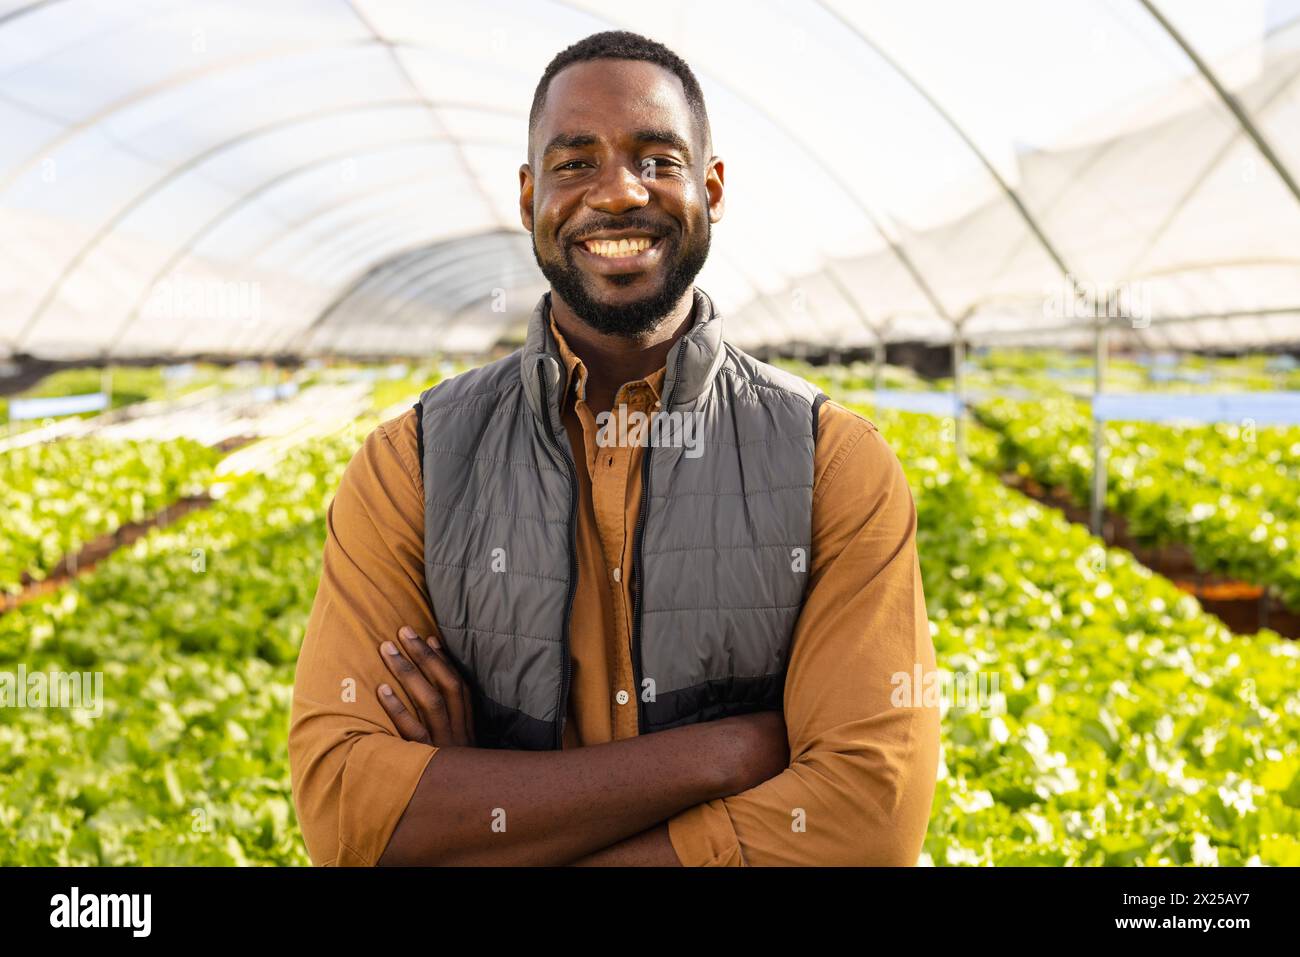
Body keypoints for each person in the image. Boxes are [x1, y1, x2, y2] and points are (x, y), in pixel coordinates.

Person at [289, 29, 939, 866]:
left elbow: (866, 819)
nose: (620, 192)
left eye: (659, 160)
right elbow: (347, 813)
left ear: (712, 188)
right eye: (574, 163)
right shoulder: (410, 464)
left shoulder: (832, 463)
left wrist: (476, 794)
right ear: (529, 199)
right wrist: (729, 756)